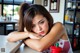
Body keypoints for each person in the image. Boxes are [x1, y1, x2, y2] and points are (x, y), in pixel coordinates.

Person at [7, 2, 73, 53]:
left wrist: (24, 39)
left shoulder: (58, 26)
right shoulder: (32, 33)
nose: (39, 29)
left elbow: (40, 46)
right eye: (33, 26)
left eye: (41, 22)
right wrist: (28, 34)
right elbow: (9, 37)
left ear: (47, 19)